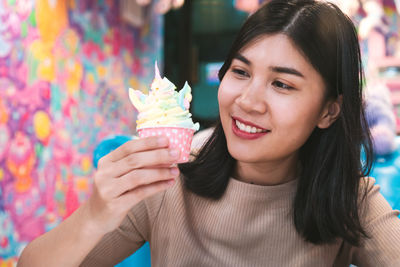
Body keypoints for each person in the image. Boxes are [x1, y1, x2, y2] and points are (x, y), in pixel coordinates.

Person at [18, 0, 400, 266]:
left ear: (328, 111)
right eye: (240, 71)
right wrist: (94, 216)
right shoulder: (168, 178)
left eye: (282, 84)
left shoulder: (352, 199)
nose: (248, 101)